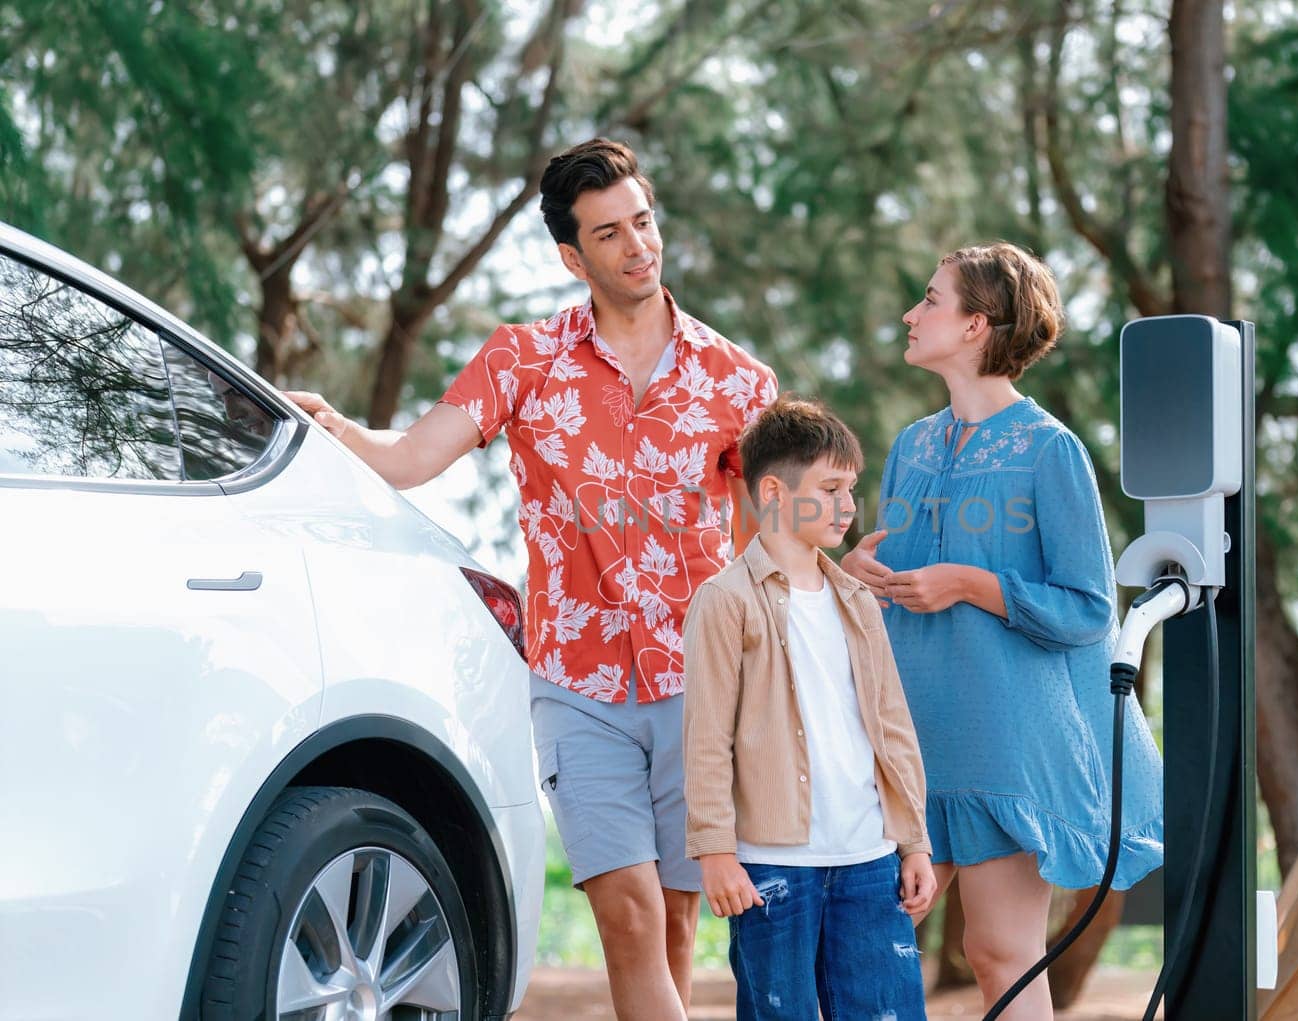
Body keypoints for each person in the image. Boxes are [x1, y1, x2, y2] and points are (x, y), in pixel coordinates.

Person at [287, 137, 778, 1020]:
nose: (637, 246)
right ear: (571, 254)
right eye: (610, 234)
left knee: (672, 916)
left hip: (701, 681)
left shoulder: (738, 381)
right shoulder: (523, 358)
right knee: (625, 916)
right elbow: (409, 458)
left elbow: (765, 547)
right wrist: (340, 430)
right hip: (575, 682)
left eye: (643, 222)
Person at [841, 242, 1163, 1019]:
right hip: (910, 737)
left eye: (930, 300)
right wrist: (854, 573)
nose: (913, 315)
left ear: (977, 325)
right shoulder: (913, 448)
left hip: (1005, 745)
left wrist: (971, 584)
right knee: (863, 933)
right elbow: (894, 586)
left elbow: (1089, 607)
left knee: (998, 951)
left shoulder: (1051, 450)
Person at [682, 394, 936, 1021]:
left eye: (851, 488)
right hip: (773, 868)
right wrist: (715, 852)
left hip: (869, 860)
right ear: (773, 490)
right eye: (829, 488)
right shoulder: (725, 601)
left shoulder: (855, 600)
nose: (847, 505)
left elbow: (893, 729)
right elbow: (707, 735)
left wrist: (915, 843)